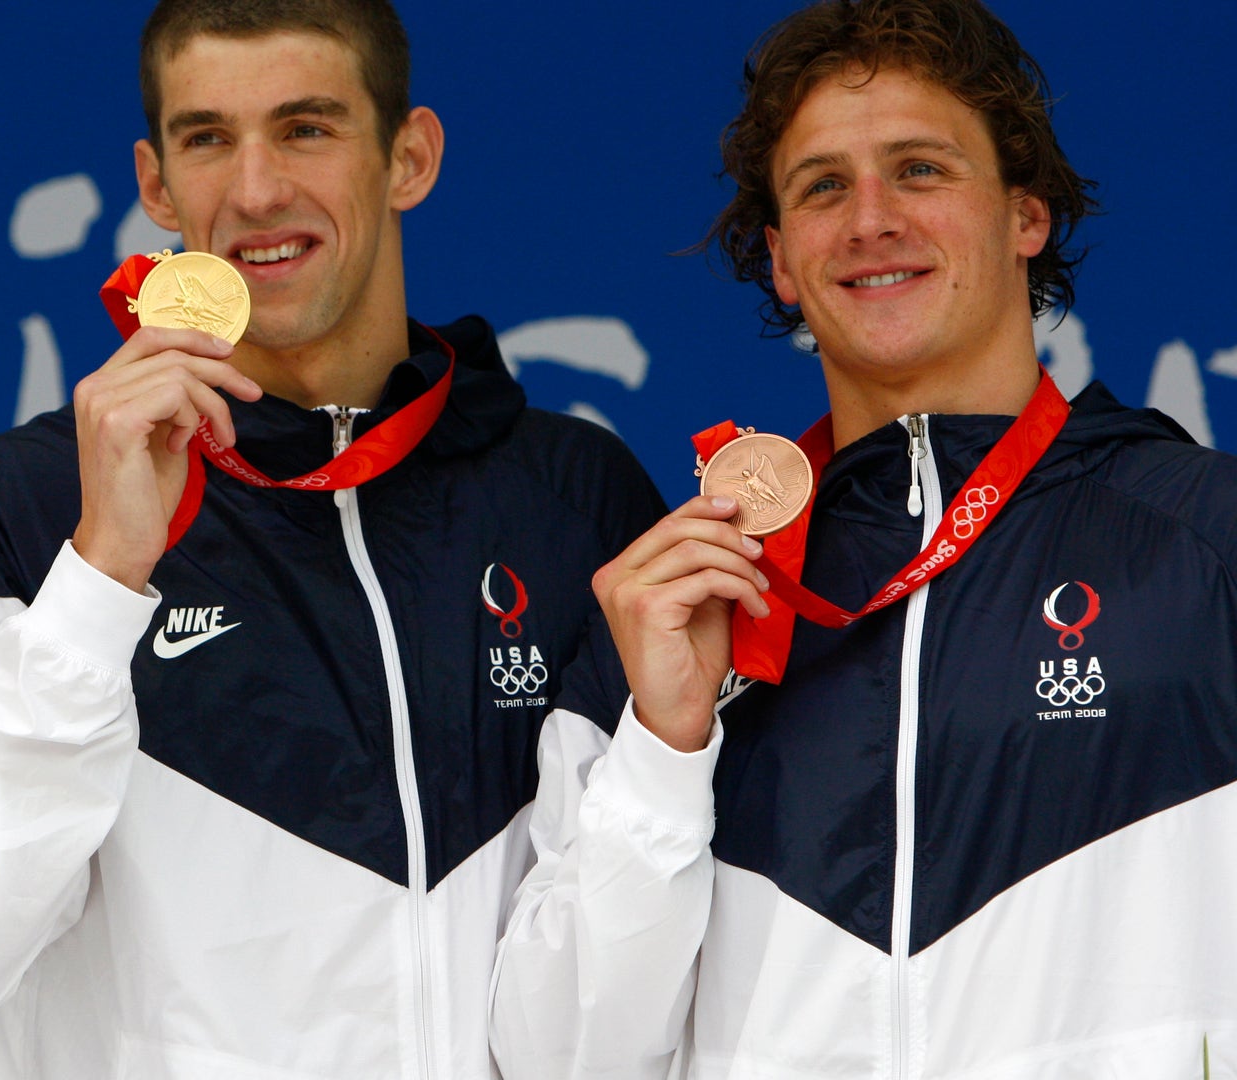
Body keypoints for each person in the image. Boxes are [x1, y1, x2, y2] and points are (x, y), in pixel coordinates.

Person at [0, 0, 665, 1075]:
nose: (257, 190)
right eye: (208, 139)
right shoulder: (14, 506)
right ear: (155, 184)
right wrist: (99, 576)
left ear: (408, 157)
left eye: (307, 128)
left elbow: (620, 1000)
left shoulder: (574, 496)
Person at [488, 0, 1237, 1075]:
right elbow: (557, 1059)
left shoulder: (1207, 539)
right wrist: (663, 749)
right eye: (824, 186)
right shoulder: (684, 597)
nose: (871, 219)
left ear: (1025, 214)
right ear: (784, 260)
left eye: (921, 170)